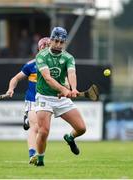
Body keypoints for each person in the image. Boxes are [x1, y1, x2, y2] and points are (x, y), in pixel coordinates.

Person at [34, 27, 86, 166]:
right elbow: (47, 78)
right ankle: (40, 159)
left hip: (61, 98)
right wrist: (64, 89)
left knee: (81, 128)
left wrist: (73, 89)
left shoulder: (68, 57)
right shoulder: (41, 56)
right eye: (56, 41)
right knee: (44, 131)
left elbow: (71, 74)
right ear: (50, 40)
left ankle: (69, 138)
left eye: (61, 42)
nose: (58, 44)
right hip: (44, 97)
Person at [6, 37, 50, 164]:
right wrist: (10, 89)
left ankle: (39, 154)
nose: (46, 50)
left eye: (48, 48)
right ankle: (32, 155)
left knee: (43, 130)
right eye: (43, 47)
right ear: (39, 49)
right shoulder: (31, 65)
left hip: (46, 100)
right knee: (35, 126)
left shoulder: (54, 66)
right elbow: (15, 79)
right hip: (32, 100)